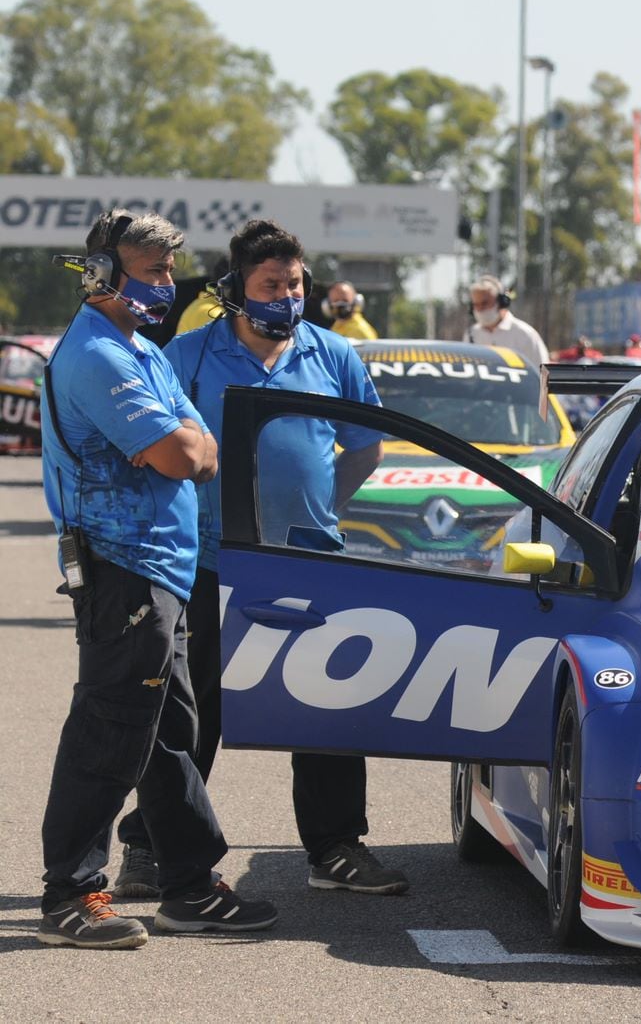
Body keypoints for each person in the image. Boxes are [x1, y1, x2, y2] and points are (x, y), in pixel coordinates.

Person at [106, 220, 404, 904]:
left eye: (295, 284)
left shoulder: (334, 354)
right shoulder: (185, 355)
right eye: (271, 285)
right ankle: (151, 848)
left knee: (326, 707)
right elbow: (147, 444)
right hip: (207, 560)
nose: (287, 297)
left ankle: (334, 848)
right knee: (185, 712)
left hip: (309, 561)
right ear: (236, 291)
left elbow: (366, 446)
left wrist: (320, 508)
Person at [36, 210, 276, 949]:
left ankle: (188, 886)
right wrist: (181, 443)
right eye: (153, 271)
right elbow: (181, 455)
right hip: (123, 569)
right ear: (104, 277)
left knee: (171, 733)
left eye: (171, 271)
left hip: (159, 567)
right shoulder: (101, 357)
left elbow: (193, 442)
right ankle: (71, 894)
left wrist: (184, 442)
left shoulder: (141, 349)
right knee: (110, 728)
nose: (168, 285)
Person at [466, 276, 548, 372]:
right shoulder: (471, 334)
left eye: (484, 303)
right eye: (476, 305)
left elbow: (541, 377)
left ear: (501, 302)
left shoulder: (525, 335)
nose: (480, 309)